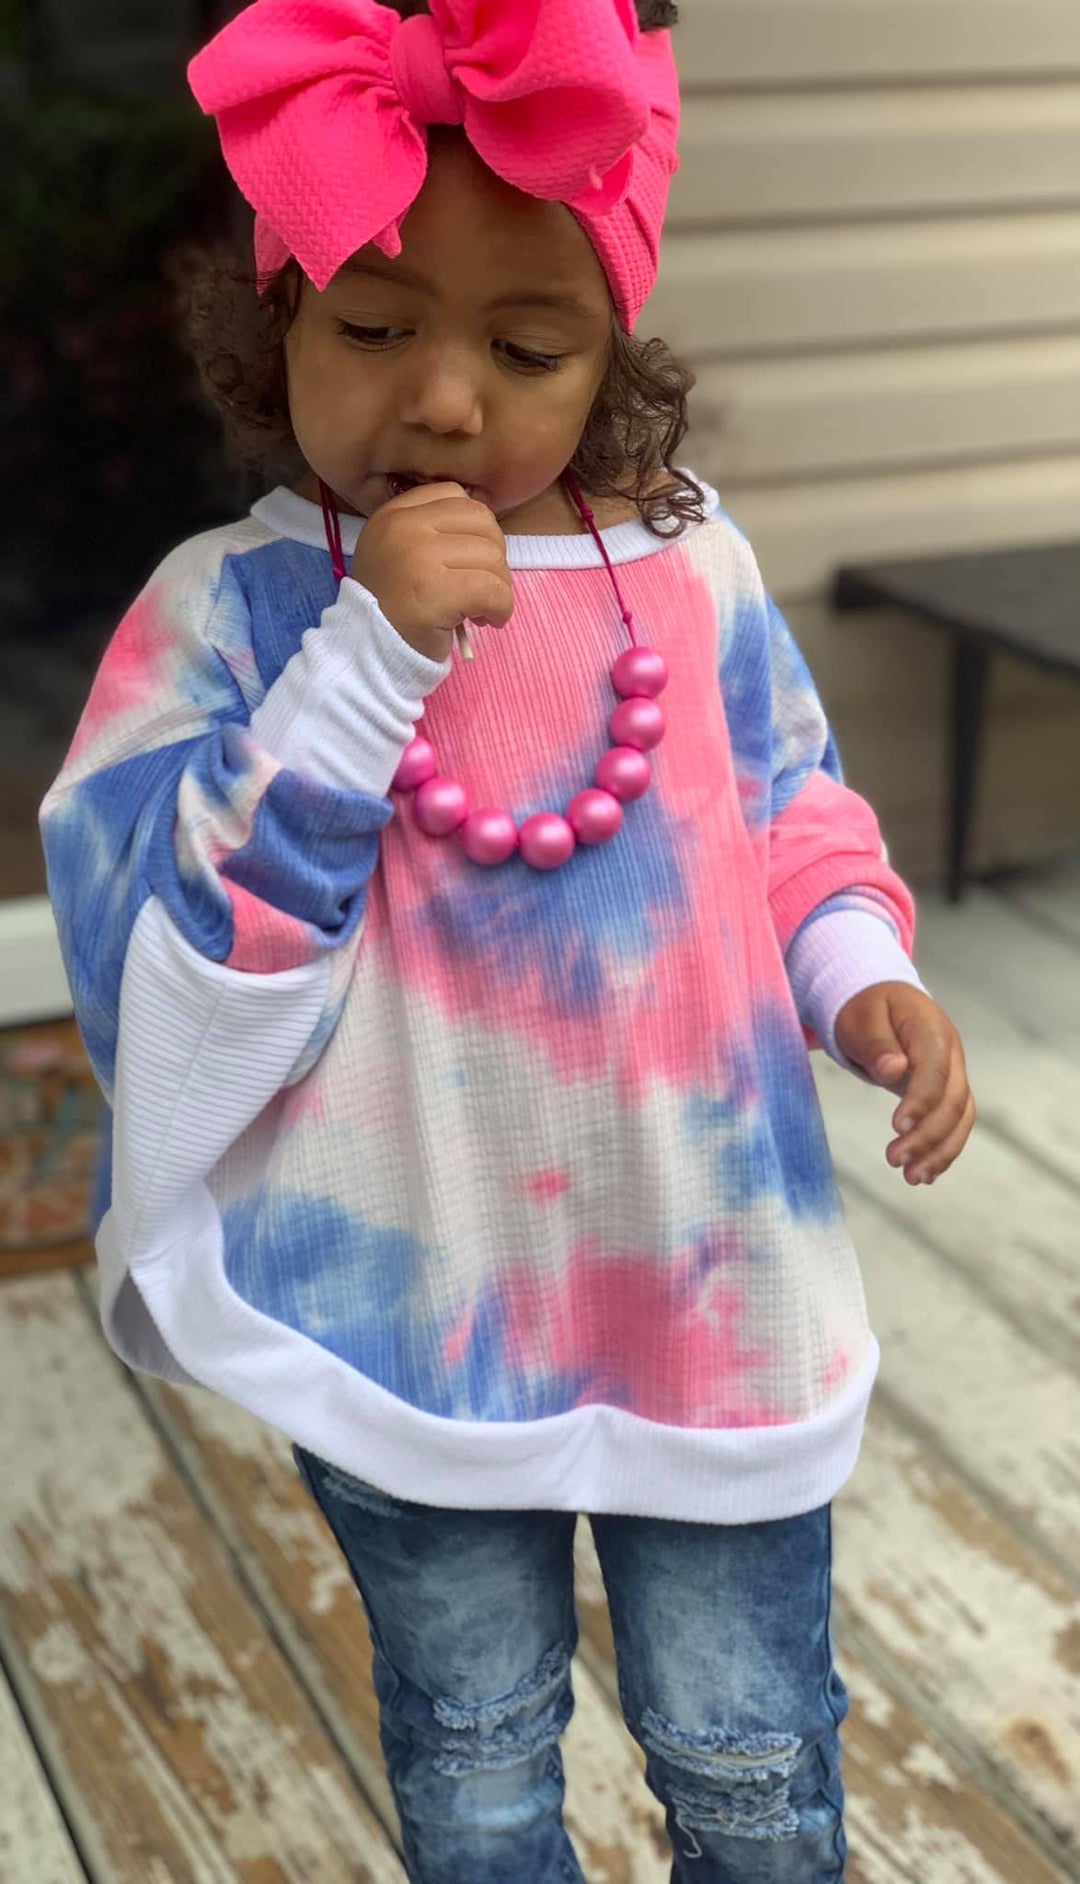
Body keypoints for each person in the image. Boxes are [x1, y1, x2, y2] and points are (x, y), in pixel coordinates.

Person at [39, 1, 976, 1877]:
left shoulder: (688, 570)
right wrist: (362, 664)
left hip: (702, 1279)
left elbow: (788, 800)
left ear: (612, 357)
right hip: (413, 1305)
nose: (448, 400)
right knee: (473, 1747)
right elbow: (167, 939)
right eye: (374, 328)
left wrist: (856, 968)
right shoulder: (234, 611)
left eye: (527, 345)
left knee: (751, 1753)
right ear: (279, 325)